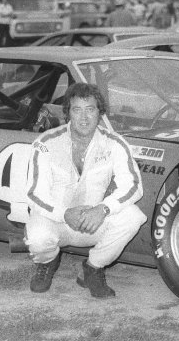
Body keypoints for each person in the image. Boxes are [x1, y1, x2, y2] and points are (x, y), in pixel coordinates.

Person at [25, 82, 147, 299]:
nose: (84, 117)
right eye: (77, 110)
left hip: (91, 221)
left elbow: (133, 185)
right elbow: (35, 193)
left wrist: (103, 209)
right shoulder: (45, 143)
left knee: (134, 216)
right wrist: (64, 213)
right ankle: (47, 262)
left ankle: (92, 267)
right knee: (37, 238)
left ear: (100, 113)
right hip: (56, 221)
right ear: (67, 113)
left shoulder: (115, 143)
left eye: (90, 109)